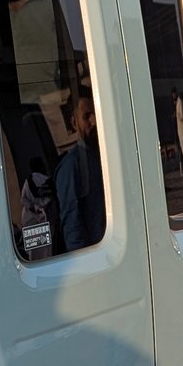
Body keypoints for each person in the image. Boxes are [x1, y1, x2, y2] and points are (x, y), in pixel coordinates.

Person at [55, 92, 106, 251]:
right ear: (74, 123)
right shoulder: (71, 167)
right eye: (86, 116)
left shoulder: (108, 157)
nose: (94, 121)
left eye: (96, 113)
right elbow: (73, 231)